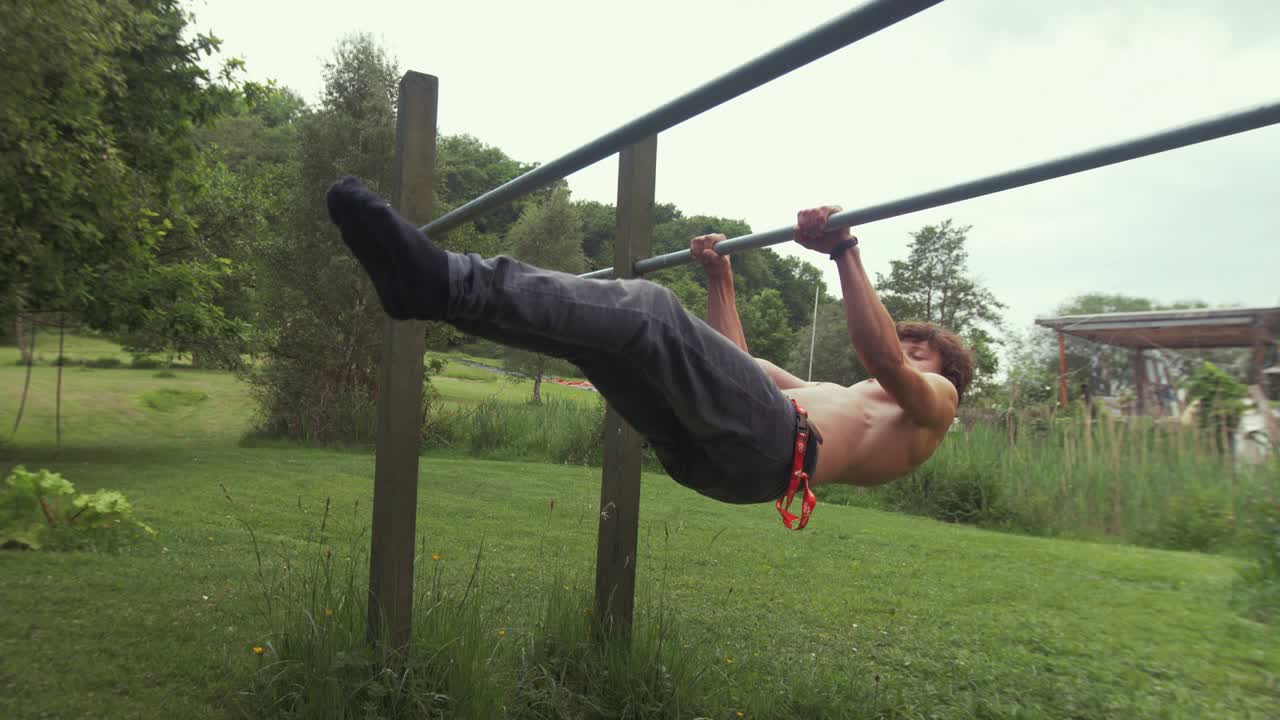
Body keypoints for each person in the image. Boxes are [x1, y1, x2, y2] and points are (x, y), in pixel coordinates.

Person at [326, 176, 974, 529]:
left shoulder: (934, 406)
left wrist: (844, 250)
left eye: (923, 351)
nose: (907, 350)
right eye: (907, 339)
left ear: (946, 374)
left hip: (776, 452)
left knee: (650, 312)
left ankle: (443, 282)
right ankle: (432, 292)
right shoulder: (837, 397)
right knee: (603, 343)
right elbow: (735, 368)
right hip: (730, 463)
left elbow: (883, 357)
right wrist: (720, 280)